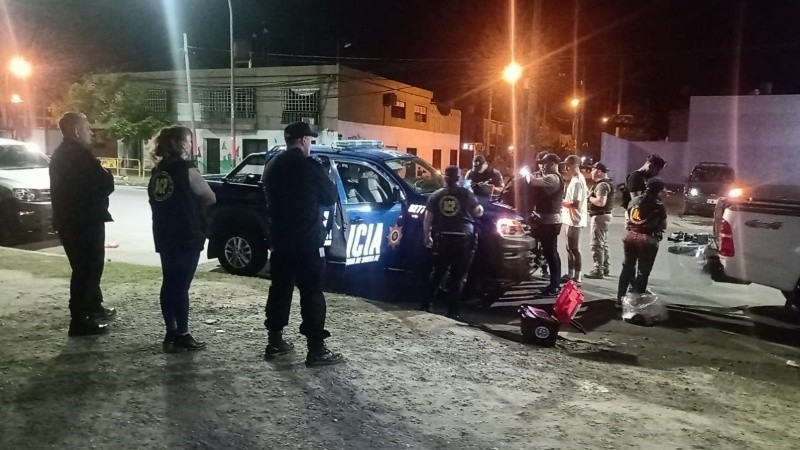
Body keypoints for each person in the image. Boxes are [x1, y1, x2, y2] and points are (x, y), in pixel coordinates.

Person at [261, 121, 343, 367]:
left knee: (279, 290)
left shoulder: (273, 165)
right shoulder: (311, 166)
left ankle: (275, 342)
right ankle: (316, 349)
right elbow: (330, 198)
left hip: (281, 242)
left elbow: (264, 197)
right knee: (312, 294)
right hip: (308, 243)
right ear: (305, 140)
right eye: (311, 141)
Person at [148, 126, 216, 352]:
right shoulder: (185, 171)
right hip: (186, 234)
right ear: (180, 144)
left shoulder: (158, 171)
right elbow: (209, 196)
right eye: (189, 140)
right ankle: (183, 333)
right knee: (181, 286)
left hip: (164, 233)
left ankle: (171, 330)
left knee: (169, 283)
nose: (191, 145)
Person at [49, 112, 116, 337]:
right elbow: (104, 182)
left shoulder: (64, 154)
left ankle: (93, 306)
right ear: (77, 131)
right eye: (87, 128)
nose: (91, 132)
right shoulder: (78, 155)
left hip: (74, 220)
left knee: (90, 267)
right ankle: (80, 319)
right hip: (82, 221)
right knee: (86, 269)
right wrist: (106, 174)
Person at [421, 165, 484, 319]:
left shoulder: (436, 195)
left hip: (443, 239)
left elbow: (427, 219)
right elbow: (478, 212)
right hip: (463, 239)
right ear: (459, 178)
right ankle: (453, 312)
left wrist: (426, 236)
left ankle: (426, 305)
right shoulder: (467, 194)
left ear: (445, 178)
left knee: (438, 273)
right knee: (458, 278)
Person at [617, 177, 668, 306]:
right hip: (647, 238)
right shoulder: (658, 205)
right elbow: (663, 225)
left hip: (630, 235)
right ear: (659, 190)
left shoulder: (633, 201)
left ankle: (620, 298)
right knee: (643, 271)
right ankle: (636, 303)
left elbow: (628, 217)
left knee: (627, 267)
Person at [525, 153, 564, 296]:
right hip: (545, 221)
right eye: (541, 163)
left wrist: (526, 172)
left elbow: (533, 182)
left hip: (550, 222)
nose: (542, 166)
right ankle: (554, 284)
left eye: (545, 163)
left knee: (551, 253)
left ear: (553, 163)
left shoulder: (553, 178)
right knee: (548, 252)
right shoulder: (549, 176)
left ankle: (555, 286)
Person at [561, 155, 589, 285]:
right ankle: (570, 273)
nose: (566, 168)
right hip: (570, 218)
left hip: (575, 219)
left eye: (568, 165)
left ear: (575, 166)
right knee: (569, 248)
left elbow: (575, 204)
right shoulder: (575, 179)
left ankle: (578, 276)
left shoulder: (578, 182)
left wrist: (560, 202)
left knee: (574, 249)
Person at [584, 162, 614, 279]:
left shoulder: (602, 185)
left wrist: (589, 197)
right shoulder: (607, 183)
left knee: (596, 244)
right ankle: (605, 267)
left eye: (592, 170)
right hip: (605, 216)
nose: (591, 172)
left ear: (599, 172)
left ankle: (598, 269)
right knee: (603, 243)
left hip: (600, 216)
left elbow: (601, 202)